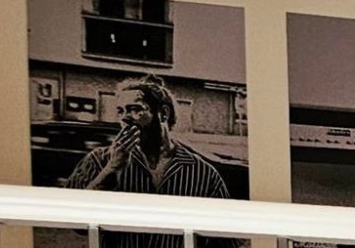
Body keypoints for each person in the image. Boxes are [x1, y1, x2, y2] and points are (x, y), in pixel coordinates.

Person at [63, 76, 231, 199]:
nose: (125, 118)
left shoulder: (202, 172)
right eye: (120, 111)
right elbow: (75, 220)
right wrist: (112, 169)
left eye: (135, 109)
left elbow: (219, 232)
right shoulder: (98, 160)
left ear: (163, 114)